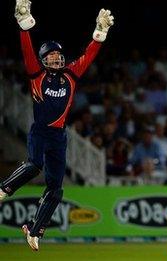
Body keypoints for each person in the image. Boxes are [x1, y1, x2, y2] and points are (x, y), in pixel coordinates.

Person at [0, 0, 114, 251]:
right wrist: (23, 26)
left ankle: (34, 229)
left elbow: (89, 55)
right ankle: (4, 189)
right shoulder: (36, 74)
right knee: (33, 165)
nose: (55, 58)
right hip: (40, 131)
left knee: (56, 189)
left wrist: (100, 34)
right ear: (43, 59)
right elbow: (27, 50)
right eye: (50, 56)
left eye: (58, 55)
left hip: (59, 137)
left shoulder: (71, 75)